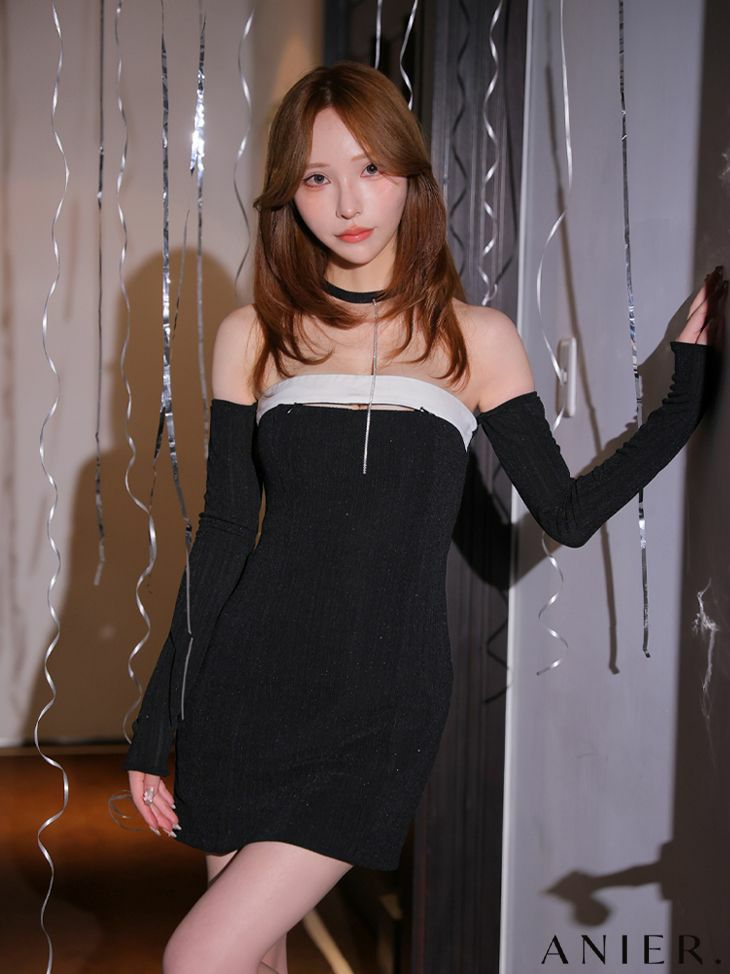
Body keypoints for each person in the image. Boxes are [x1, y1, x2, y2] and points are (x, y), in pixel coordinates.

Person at [122, 60, 725, 974]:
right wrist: (156, 720)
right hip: (242, 691)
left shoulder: (476, 338)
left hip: (377, 702)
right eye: (317, 177)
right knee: (254, 959)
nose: (347, 202)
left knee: (196, 957)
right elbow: (224, 537)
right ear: (289, 195)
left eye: (370, 168)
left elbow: (563, 513)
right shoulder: (252, 335)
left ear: (409, 175)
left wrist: (681, 403)